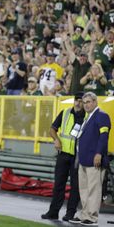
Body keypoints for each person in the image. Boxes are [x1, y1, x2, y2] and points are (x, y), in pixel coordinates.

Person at [41, 92, 85, 222]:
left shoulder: (86, 116)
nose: (78, 103)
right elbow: (52, 129)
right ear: (73, 101)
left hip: (77, 156)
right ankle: (53, 212)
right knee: (59, 184)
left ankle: (70, 214)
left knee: (75, 186)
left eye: (81, 101)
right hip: (63, 154)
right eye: (76, 100)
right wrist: (56, 140)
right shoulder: (65, 112)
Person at [70, 92, 111, 226]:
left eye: (88, 102)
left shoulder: (102, 116)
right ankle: (84, 215)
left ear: (95, 102)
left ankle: (92, 217)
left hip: (94, 159)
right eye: (84, 102)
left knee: (94, 189)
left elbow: (103, 137)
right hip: (83, 159)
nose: (86, 105)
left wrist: (99, 153)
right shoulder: (87, 118)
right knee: (84, 189)